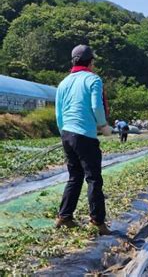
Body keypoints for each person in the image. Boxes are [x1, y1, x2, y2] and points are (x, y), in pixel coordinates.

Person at [55, 44, 113, 235]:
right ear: (91, 62)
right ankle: (97, 222)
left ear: (74, 61)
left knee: (74, 176)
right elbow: (96, 106)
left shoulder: (63, 83)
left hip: (67, 134)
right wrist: (103, 126)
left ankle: (64, 216)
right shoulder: (93, 79)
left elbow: (59, 113)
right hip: (85, 136)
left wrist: (64, 134)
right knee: (94, 178)